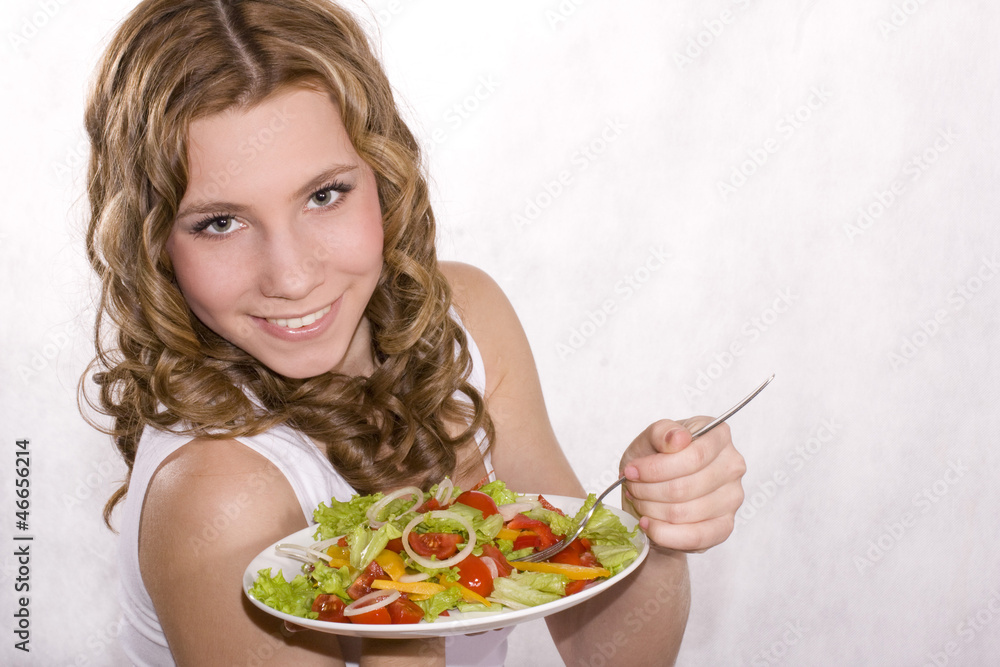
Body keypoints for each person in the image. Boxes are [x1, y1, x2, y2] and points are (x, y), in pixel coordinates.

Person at [81, 1, 747, 665]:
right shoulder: (216, 493)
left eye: (324, 194)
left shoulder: (469, 320)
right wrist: (401, 609)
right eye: (221, 223)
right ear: (152, 244)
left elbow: (612, 655)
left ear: (383, 172)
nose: (291, 276)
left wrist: (655, 524)